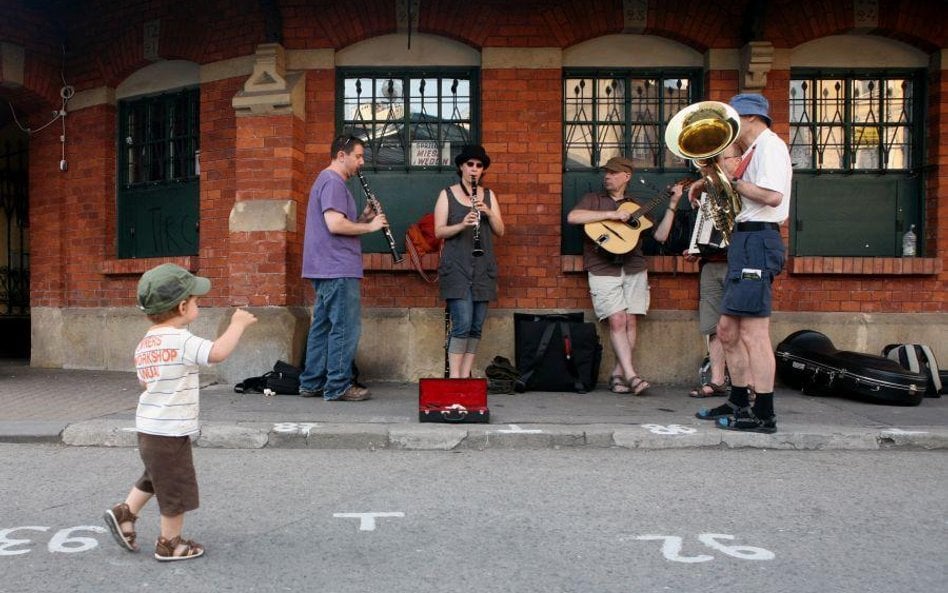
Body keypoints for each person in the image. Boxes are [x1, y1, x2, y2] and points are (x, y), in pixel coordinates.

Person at [104, 263, 257, 561]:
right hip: (171, 428)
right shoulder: (182, 340)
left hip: (149, 427)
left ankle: (124, 513)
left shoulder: (145, 343)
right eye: (196, 300)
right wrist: (237, 324)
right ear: (183, 306)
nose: (198, 303)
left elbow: (143, 380)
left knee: (155, 475)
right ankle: (169, 543)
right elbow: (216, 353)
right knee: (175, 489)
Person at [689, 93, 792, 433]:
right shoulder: (752, 150)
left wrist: (733, 181)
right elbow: (737, 182)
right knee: (727, 330)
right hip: (744, 240)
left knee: (753, 333)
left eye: (732, 120)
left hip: (760, 239)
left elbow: (772, 195)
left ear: (748, 118)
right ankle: (737, 400)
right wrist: (706, 181)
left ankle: (764, 413)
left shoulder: (771, 147)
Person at [566, 155, 684, 395]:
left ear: (626, 176)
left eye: (612, 173)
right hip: (602, 267)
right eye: (606, 173)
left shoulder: (636, 206)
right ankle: (632, 375)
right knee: (617, 320)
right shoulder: (593, 199)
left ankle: (618, 374)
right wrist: (610, 215)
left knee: (630, 321)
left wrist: (673, 205)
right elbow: (573, 217)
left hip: (634, 267)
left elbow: (660, 236)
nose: (607, 177)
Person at [298, 135, 387, 401]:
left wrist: (362, 218)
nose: (361, 162)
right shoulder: (333, 181)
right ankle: (337, 385)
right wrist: (370, 227)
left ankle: (311, 382)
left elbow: (339, 225)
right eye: (358, 156)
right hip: (337, 266)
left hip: (325, 266)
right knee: (345, 327)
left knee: (323, 326)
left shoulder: (326, 181)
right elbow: (335, 225)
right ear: (341, 155)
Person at [434, 144, 505, 378]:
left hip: (483, 267)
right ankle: (455, 378)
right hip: (457, 267)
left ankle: (466, 376)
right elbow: (439, 232)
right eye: (470, 164)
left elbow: (500, 231)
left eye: (479, 165)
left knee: (476, 326)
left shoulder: (489, 195)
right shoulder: (447, 194)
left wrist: (489, 212)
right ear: (461, 167)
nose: (474, 169)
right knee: (462, 324)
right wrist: (462, 224)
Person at [684, 143, 745, 399]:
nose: (715, 168)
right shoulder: (708, 194)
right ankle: (718, 380)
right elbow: (705, 230)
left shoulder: (746, 189)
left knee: (742, 328)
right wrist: (695, 249)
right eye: (712, 163)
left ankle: (749, 384)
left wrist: (701, 183)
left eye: (722, 160)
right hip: (710, 265)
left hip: (737, 264)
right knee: (713, 326)